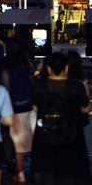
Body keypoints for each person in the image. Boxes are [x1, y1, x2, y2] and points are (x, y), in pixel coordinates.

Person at [31, 52, 91, 184]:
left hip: (45, 136)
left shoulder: (40, 85)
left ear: (48, 68)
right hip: (71, 136)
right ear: (67, 68)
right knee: (69, 174)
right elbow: (86, 108)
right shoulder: (76, 86)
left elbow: (35, 108)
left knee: (47, 174)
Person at [2, 39, 35, 183]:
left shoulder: (6, 69)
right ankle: (21, 171)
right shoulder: (27, 66)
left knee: (15, 143)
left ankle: (19, 171)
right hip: (27, 106)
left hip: (13, 108)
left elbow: (6, 90)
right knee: (22, 144)